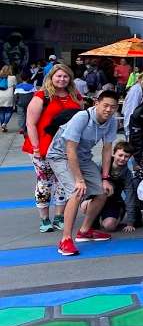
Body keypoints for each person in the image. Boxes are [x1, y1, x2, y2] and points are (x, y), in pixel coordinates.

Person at [45, 90, 120, 255]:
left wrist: (105, 178)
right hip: (61, 155)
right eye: (105, 105)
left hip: (83, 157)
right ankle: (65, 240)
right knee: (75, 193)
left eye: (113, 107)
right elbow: (70, 150)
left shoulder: (112, 121)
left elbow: (107, 150)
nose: (108, 110)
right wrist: (79, 180)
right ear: (97, 104)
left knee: (102, 192)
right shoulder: (82, 117)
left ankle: (85, 231)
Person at [23, 64, 84, 232]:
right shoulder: (42, 95)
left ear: (70, 78)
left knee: (62, 182)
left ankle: (59, 217)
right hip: (43, 146)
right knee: (44, 182)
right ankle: (44, 219)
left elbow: (82, 120)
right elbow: (31, 123)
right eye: (58, 76)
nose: (62, 79)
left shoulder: (76, 96)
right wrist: (36, 148)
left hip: (67, 147)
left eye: (65, 76)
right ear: (51, 77)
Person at [81, 140, 136, 234]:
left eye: (126, 157)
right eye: (120, 155)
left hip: (113, 202)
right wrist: (87, 198)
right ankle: (95, 217)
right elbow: (89, 183)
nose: (123, 158)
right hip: (97, 198)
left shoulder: (127, 174)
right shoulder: (100, 167)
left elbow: (130, 196)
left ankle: (119, 211)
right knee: (84, 205)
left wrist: (130, 222)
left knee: (109, 226)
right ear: (114, 154)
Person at [0, 64, 17, 132]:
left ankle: (3, 127)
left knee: (1, 111)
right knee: (10, 110)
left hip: (0, 95)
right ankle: (4, 123)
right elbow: (16, 86)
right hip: (9, 95)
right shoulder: (13, 77)